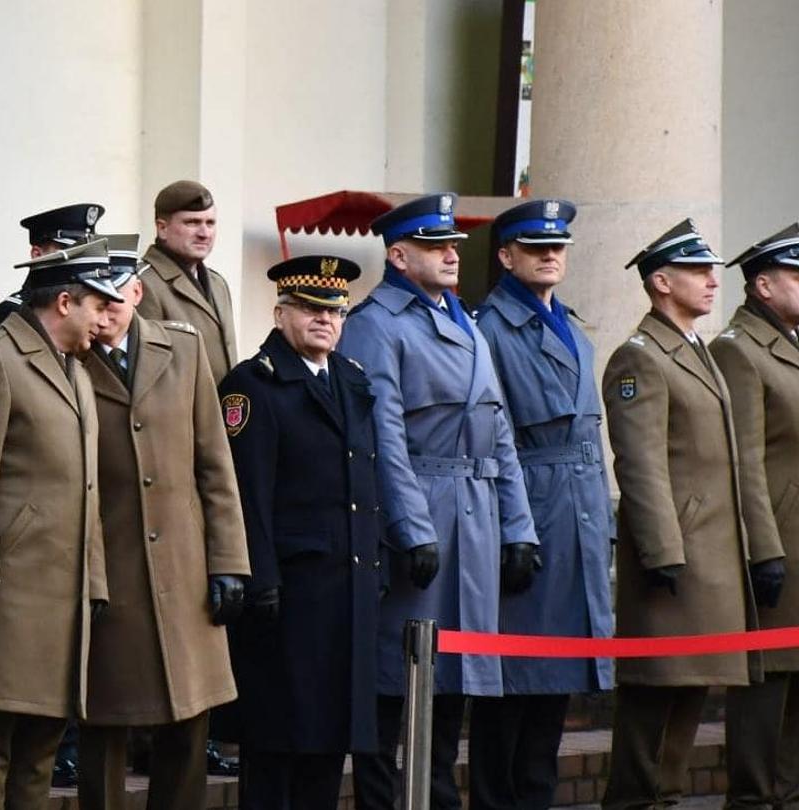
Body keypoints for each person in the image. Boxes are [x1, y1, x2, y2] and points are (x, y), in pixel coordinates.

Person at [334, 193, 537, 810]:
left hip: (472, 519)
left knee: (453, 686)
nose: (451, 255)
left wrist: (518, 527)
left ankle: (439, 799)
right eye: (434, 245)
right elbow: (383, 436)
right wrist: (409, 527)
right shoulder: (377, 324)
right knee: (395, 683)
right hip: (424, 513)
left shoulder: (462, 317)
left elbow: (498, 430)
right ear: (398, 255)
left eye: (453, 245)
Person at [599, 219, 785, 810]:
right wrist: (661, 551)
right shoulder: (640, 358)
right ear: (661, 282)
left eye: (710, 271)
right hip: (678, 554)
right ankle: (636, 801)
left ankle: (664, 797)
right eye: (697, 271)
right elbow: (640, 462)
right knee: (654, 698)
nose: (712, 281)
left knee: (687, 694)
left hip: (709, 554)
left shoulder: (692, 350)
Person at [0, 239, 120, 810]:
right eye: (97, 305)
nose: (105, 318)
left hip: (60, 599)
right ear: (65, 302)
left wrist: (94, 583)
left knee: (39, 753)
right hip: (6, 591)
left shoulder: (79, 370)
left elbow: (85, 490)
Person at [75, 234, 249, 810]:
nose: (103, 313)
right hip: (109, 564)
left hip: (184, 563)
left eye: (115, 299)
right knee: (105, 717)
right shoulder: (69, 355)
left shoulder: (182, 348)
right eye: (94, 299)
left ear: (138, 292)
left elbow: (214, 463)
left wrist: (228, 562)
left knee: (189, 716)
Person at [467, 200, 615, 810]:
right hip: (529, 510)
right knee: (514, 684)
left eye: (558, 247)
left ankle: (535, 799)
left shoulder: (569, 324)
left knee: (555, 687)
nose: (551, 255)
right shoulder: (490, 328)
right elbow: (490, 437)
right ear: (506, 257)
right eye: (535, 247)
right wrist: (511, 528)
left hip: (575, 511)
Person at [221, 255, 381, 810]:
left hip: (347, 589)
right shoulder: (254, 384)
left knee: (328, 741)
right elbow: (248, 493)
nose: (325, 320)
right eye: (311, 309)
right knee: (278, 742)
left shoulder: (351, 380)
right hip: (288, 592)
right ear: (280, 312)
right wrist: (258, 575)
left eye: (334, 311)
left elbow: (365, 482)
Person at [712, 224, 799, 810]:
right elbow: (743, 460)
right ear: (763, 285)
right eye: (796, 276)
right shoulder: (739, 349)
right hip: (780, 537)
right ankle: (755, 797)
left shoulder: (790, 343)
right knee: (769, 682)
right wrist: (762, 549)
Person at [135, 181, 237, 379]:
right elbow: (148, 374)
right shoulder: (143, 283)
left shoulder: (218, 284)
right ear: (162, 228)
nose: (204, 233)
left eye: (210, 223)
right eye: (192, 222)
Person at [0, 203, 104, 327]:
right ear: (37, 255)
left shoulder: (86, 308)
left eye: (81, 253)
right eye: (66, 253)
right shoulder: (13, 311)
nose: (77, 260)